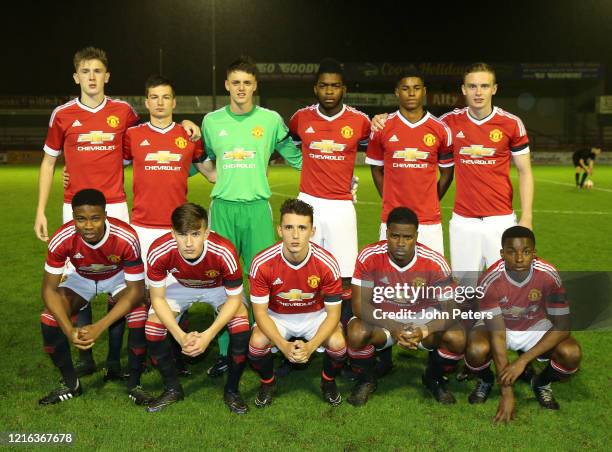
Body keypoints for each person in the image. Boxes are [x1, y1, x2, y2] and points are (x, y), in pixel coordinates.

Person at [36, 47, 201, 379]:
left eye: (98, 71)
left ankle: (115, 358)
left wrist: (186, 122)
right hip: (75, 207)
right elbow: (49, 161)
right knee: (77, 278)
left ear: (107, 76)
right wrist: (41, 210)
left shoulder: (124, 112)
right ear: (76, 77)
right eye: (86, 72)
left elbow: (157, 133)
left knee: (120, 282)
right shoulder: (63, 114)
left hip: (116, 206)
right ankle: (84, 351)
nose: (92, 77)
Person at [372, 62, 534, 281]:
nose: (479, 92)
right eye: (473, 86)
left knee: (508, 285)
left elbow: (525, 171)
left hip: (501, 220)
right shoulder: (448, 124)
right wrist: (379, 119)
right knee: (464, 290)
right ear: (463, 89)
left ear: (494, 89)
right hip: (463, 222)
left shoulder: (511, 123)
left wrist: (527, 217)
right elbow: (416, 127)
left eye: (484, 86)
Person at [201, 56, 302, 377]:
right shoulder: (211, 121)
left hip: (258, 207)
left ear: (255, 86)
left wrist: (337, 174)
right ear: (227, 85)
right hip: (224, 208)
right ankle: (226, 351)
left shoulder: (271, 120)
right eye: (236, 82)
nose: (241, 88)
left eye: (247, 82)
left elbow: (296, 155)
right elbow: (198, 159)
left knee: (264, 281)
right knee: (224, 282)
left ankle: (265, 347)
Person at [38, 189, 149, 405]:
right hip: (81, 278)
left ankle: (134, 384)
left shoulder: (125, 236)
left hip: (117, 278)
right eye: (81, 219)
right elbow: (48, 290)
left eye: (95, 218)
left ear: (105, 215)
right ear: (73, 218)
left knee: (138, 313)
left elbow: (136, 291)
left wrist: (99, 326)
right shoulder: (62, 238)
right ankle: (71, 384)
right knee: (49, 319)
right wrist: (69, 330)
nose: (88, 226)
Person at [346, 207, 465, 406]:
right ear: (387, 234)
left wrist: (424, 330)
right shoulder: (369, 256)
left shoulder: (434, 262)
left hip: (421, 318)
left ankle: (433, 378)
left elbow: (452, 310)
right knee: (356, 333)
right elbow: (359, 305)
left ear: (417, 236)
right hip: (384, 318)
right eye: (395, 236)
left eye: (408, 237)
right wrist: (393, 327)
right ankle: (366, 379)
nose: (401, 243)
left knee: (457, 338)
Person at [464, 226, 581, 422]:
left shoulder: (548, 274)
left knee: (571, 354)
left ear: (534, 253)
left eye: (526, 252)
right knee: (476, 350)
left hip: (534, 325)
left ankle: (540, 382)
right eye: (511, 252)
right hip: (499, 327)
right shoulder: (489, 280)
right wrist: (507, 393)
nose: (519, 259)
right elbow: (498, 334)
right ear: (502, 254)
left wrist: (522, 361)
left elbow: (563, 325)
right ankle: (486, 379)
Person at [144, 203, 251, 414]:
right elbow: (157, 298)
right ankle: (172, 388)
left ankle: (232, 391)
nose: (189, 242)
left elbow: (234, 299)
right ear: (173, 232)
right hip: (180, 285)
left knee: (240, 321)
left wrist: (208, 335)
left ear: (207, 233)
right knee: (152, 328)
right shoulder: (159, 250)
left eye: (195, 234)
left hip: (217, 288)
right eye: (182, 234)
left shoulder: (224, 250)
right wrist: (181, 336)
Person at [289, 58, 371, 327]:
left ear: (343, 89)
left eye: (335, 86)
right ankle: (304, 329)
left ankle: (343, 332)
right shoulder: (300, 118)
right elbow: (289, 145)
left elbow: (379, 148)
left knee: (344, 272)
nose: (329, 91)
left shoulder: (360, 122)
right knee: (302, 268)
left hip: (341, 206)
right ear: (315, 88)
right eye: (324, 86)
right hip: (308, 203)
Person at [248, 199, 347, 407]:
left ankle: (328, 381)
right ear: (279, 230)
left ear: (312, 231)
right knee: (256, 344)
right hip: (277, 316)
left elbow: (333, 315)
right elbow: (260, 313)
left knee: (338, 344)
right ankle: (268, 382)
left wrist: (310, 347)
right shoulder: (262, 263)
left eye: (302, 228)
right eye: (289, 227)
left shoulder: (327, 263)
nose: (295, 235)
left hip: (315, 316)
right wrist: (283, 345)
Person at [365, 72, 454, 256]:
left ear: (424, 91)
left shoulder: (440, 129)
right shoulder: (382, 127)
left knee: (432, 279)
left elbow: (447, 173)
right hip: (392, 219)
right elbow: (376, 168)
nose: (411, 93)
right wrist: (389, 200)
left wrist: (431, 200)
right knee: (389, 278)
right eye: (405, 89)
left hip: (428, 221)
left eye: (416, 88)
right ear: (397, 92)